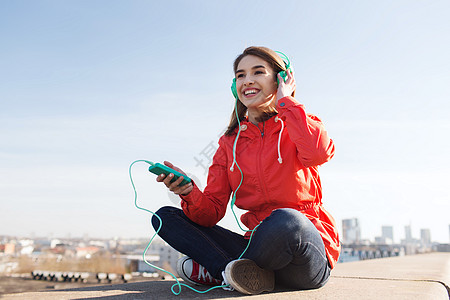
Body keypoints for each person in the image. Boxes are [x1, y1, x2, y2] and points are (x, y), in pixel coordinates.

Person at [151, 46, 340, 295]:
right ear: (234, 86)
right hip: (256, 246)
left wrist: (287, 101)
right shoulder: (229, 143)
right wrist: (188, 191)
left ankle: (219, 271)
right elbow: (211, 213)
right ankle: (232, 272)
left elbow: (318, 152)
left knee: (288, 220)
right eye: (240, 75)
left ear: (281, 79)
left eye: (258, 72)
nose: (247, 80)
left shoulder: (298, 121)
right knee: (164, 216)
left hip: (302, 251)